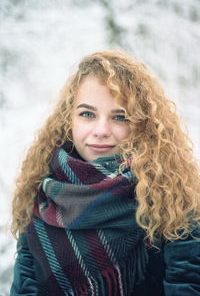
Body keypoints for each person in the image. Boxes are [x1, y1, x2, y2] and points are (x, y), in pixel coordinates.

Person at [10, 50, 200, 296]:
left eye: (120, 117)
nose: (101, 130)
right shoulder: (40, 196)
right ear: (70, 119)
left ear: (142, 125)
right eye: (87, 114)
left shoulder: (172, 199)